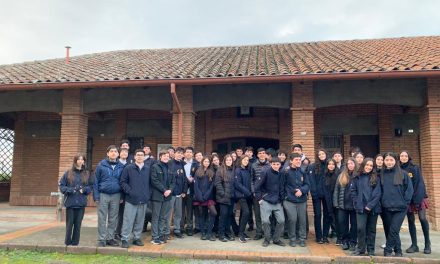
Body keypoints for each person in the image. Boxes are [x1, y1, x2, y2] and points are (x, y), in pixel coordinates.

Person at [381, 152, 414, 257]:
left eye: (391, 160)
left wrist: (405, 202)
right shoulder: (381, 174)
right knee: (389, 230)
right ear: (384, 161)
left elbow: (410, 190)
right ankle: (398, 251)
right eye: (387, 160)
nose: (389, 162)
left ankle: (387, 250)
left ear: (395, 161)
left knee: (394, 229)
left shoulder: (403, 174)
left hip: (400, 207)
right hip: (386, 207)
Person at [399, 151, 431, 254]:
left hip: (418, 196)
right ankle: (414, 245)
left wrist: (417, 201)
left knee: (422, 219)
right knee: (410, 220)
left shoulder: (414, 167)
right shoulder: (399, 169)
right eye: (401, 156)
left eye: (405, 156)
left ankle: (427, 244)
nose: (403, 157)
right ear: (399, 158)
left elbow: (419, 184)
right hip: (408, 199)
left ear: (409, 157)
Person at [93, 145, 125, 247]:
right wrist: (96, 196)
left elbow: (123, 182)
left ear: (118, 154)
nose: (113, 153)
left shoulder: (121, 166)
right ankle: (102, 239)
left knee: (113, 218)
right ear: (107, 153)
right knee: (102, 218)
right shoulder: (101, 165)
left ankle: (110, 238)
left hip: (116, 195)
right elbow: (95, 181)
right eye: (111, 151)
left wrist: (122, 197)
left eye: (115, 151)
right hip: (103, 195)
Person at [119, 149, 151, 248]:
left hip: (143, 199)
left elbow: (150, 184)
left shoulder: (148, 168)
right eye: (138, 155)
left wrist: (147, 194)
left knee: (140, 220)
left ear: (144, 157)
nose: (140, 156)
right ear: (135, 156)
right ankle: (125, 239)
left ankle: (137, 238)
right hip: (131, 199)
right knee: (128, 220)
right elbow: (123, 182)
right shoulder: (128, 168)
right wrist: (130, 192)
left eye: (142, 155)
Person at [59, 154, 93, 246]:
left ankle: (75, 243)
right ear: (75, 161)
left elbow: (91, 186)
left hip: (81, 203)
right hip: (70, 203)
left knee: (78, 225)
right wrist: (70, 190)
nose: (80, 161)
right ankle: (67, 242)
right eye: (78, 159)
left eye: (82, 160)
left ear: (84, 162)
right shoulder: (68, 173)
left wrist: (84, 190)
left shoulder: (87, 173)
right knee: (69, 224)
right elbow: (62, 186)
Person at [351, 158, 381, 256]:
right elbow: (353, 191)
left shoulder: (376, 177)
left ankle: (371, 249)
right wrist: (356, 203)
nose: (368, 167)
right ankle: (360, 249)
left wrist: (370, 205)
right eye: (367, 165)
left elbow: (378, 193)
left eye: (371, 166)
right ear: (363, 165)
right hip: (360, 207)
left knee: (371, 230)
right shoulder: (356, 177)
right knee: (360, 228)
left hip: (373, 208)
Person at [255, 157, 286, 247]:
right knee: (265, 221)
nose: (276, 166)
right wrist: (259, 199)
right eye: (274, 164)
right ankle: (267, 239)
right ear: (271, 164)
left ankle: (276, 239)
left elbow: (282, 187)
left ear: (280, 165)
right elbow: (257, 186)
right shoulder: (265, 172)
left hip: (277, 201)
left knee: (281, 221)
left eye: (278, 164)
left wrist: (282, 198)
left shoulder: (282, 173)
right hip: (266, 200)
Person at [283, 153, 310, 247]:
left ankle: (302, 239)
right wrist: (286, 196)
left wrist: (302, 190)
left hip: (302, 200)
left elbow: (307, 184)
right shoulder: (285, 172)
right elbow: (283, 186)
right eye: (296, 160)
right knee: (292, 219)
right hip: (289, 200)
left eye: (299, 160)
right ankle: (292, 239)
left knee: (302, 220)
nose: (298, 161)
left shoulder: (303, 171)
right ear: (291, 161)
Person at [150, 151, 175, 245]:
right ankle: (154, 237)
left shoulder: (170, 168)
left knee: (163, 217)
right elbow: (154, 180)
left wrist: (170, 190)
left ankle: (161, 235)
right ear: (160, 157)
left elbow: (173, 181)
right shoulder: (155, 167)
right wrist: (164, 190)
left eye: (167, 156)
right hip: (157, 196)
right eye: (164, 156)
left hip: (167, 196)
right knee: (156, 217)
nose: (166, 157)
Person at [333, 157, 358, 251]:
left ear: (355, 164)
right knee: (342, 224)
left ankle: (353, 242)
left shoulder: (358, 175)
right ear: (346, 165)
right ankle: (344, 241)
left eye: (352, 163)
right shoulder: (341, 175)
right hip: (342, 205)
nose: (350, 165)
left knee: (354, 225)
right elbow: (336, 190)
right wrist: (336, 203)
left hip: (354, 206)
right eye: (349, 164)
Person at [308, 149, 331, 244]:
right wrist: (314, 193)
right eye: (319, 154)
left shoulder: (329, 165)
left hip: (327, 194)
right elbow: (311, 180)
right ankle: (319, 236)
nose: (321, 155)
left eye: (323, 153)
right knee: (317, 215)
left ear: (326, 154)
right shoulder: (312, 166)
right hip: (316, 195)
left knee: (327, 215)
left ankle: (325, 235)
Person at [193, 156, 217, 241]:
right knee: (202, 214)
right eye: (205, 161)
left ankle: (209, 233)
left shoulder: (212, 172)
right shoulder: (198, 171)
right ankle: (203, 233)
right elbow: (195, 186)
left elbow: (212, 186)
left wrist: (206, 195)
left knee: (213, 213)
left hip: (209, 197)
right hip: (200, 197)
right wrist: (200, 196)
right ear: (202, 162)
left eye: (208, 162)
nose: (206, 163)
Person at [167, 147, 188, 238]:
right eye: (178, 153)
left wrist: (184, 191)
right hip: (170, 193)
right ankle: (166, 231)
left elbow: (184, 179)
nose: (180, 154)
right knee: (168, 213)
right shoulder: (169, 163)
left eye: (181, 153)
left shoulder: (183, 164)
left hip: (179, 193)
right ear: (174, 154)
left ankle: (177, 229)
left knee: (178, 213)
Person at [250, 148, 270, 240]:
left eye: (263, 153)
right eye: (260, 153)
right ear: (257, 155)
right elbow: (251, 180)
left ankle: (268, 233)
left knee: (267, 215)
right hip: (257, 193)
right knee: (257, 214)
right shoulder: (253, 165)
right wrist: (253, 191)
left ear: (265, 154)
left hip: (267, 194)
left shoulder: (270, 165)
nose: (262, 154)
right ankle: (258, 232)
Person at [214, 154, 235, 242]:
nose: (229, 161)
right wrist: (222, 194)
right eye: (227, 160)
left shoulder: (234, 170)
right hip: (223, 198)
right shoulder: (220, 170)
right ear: (224, 161)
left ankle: (228, 233)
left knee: (229, 216)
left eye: (230, 160)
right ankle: (221, 234)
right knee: (223, 216)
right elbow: (217, 183)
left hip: (231, 197)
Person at [234, 156, 252, 243]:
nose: (246, 161)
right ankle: (240, 234)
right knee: (246, 212)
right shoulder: (238, 170)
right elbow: (238, 185)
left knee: (243, 214)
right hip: (241, 195)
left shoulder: (247, 170)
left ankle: (242, 232)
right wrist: (248, 192)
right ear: (241, 160)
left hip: (248, 195)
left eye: (247, 160)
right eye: (244, 160)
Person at [181, 147, 198, 236]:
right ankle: (181, 227)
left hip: (191, 191)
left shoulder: (196, 164)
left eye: (190, 152)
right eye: (187, 152)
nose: (188, 153)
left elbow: (198, 176)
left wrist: (193, 179)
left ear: (192, 154)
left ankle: (189, 228)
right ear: (184, 154)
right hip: (181, 191)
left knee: (190, 211)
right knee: (181, 210)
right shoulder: (180, 163)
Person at [114, 147, 130, 241]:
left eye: (126, 152)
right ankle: (115, 232)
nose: (124, 153)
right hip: (117, 192)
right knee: (116, 214)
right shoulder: (116, 164)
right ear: (119, 153)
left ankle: (120, 232)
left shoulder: (129, 165)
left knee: (124, 214)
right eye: (123, 152)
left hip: (126, 193)